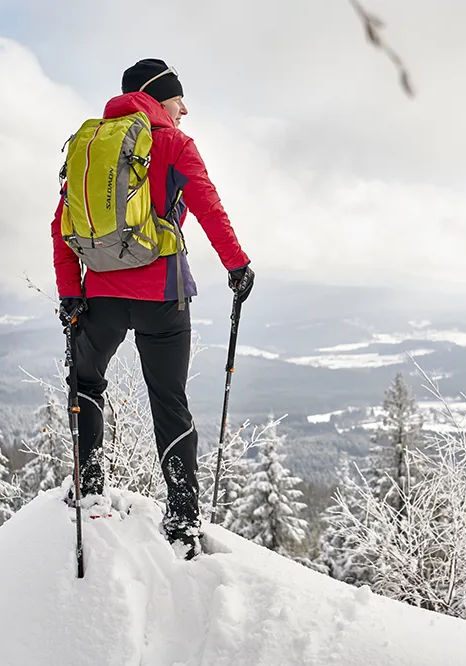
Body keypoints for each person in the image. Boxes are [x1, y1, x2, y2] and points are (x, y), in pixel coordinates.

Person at [51, 58, 254, 560]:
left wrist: (69, 292)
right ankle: (183, 519)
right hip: (161, 296)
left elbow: (61, 224)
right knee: (168, 400)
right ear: (157, 96)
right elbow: (207, 203)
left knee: (85, 382)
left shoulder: (91, 146)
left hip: (99, 294)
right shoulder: (173, 143)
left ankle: (90, 485)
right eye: (178, 98)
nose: (185, 108)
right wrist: (237, 265)